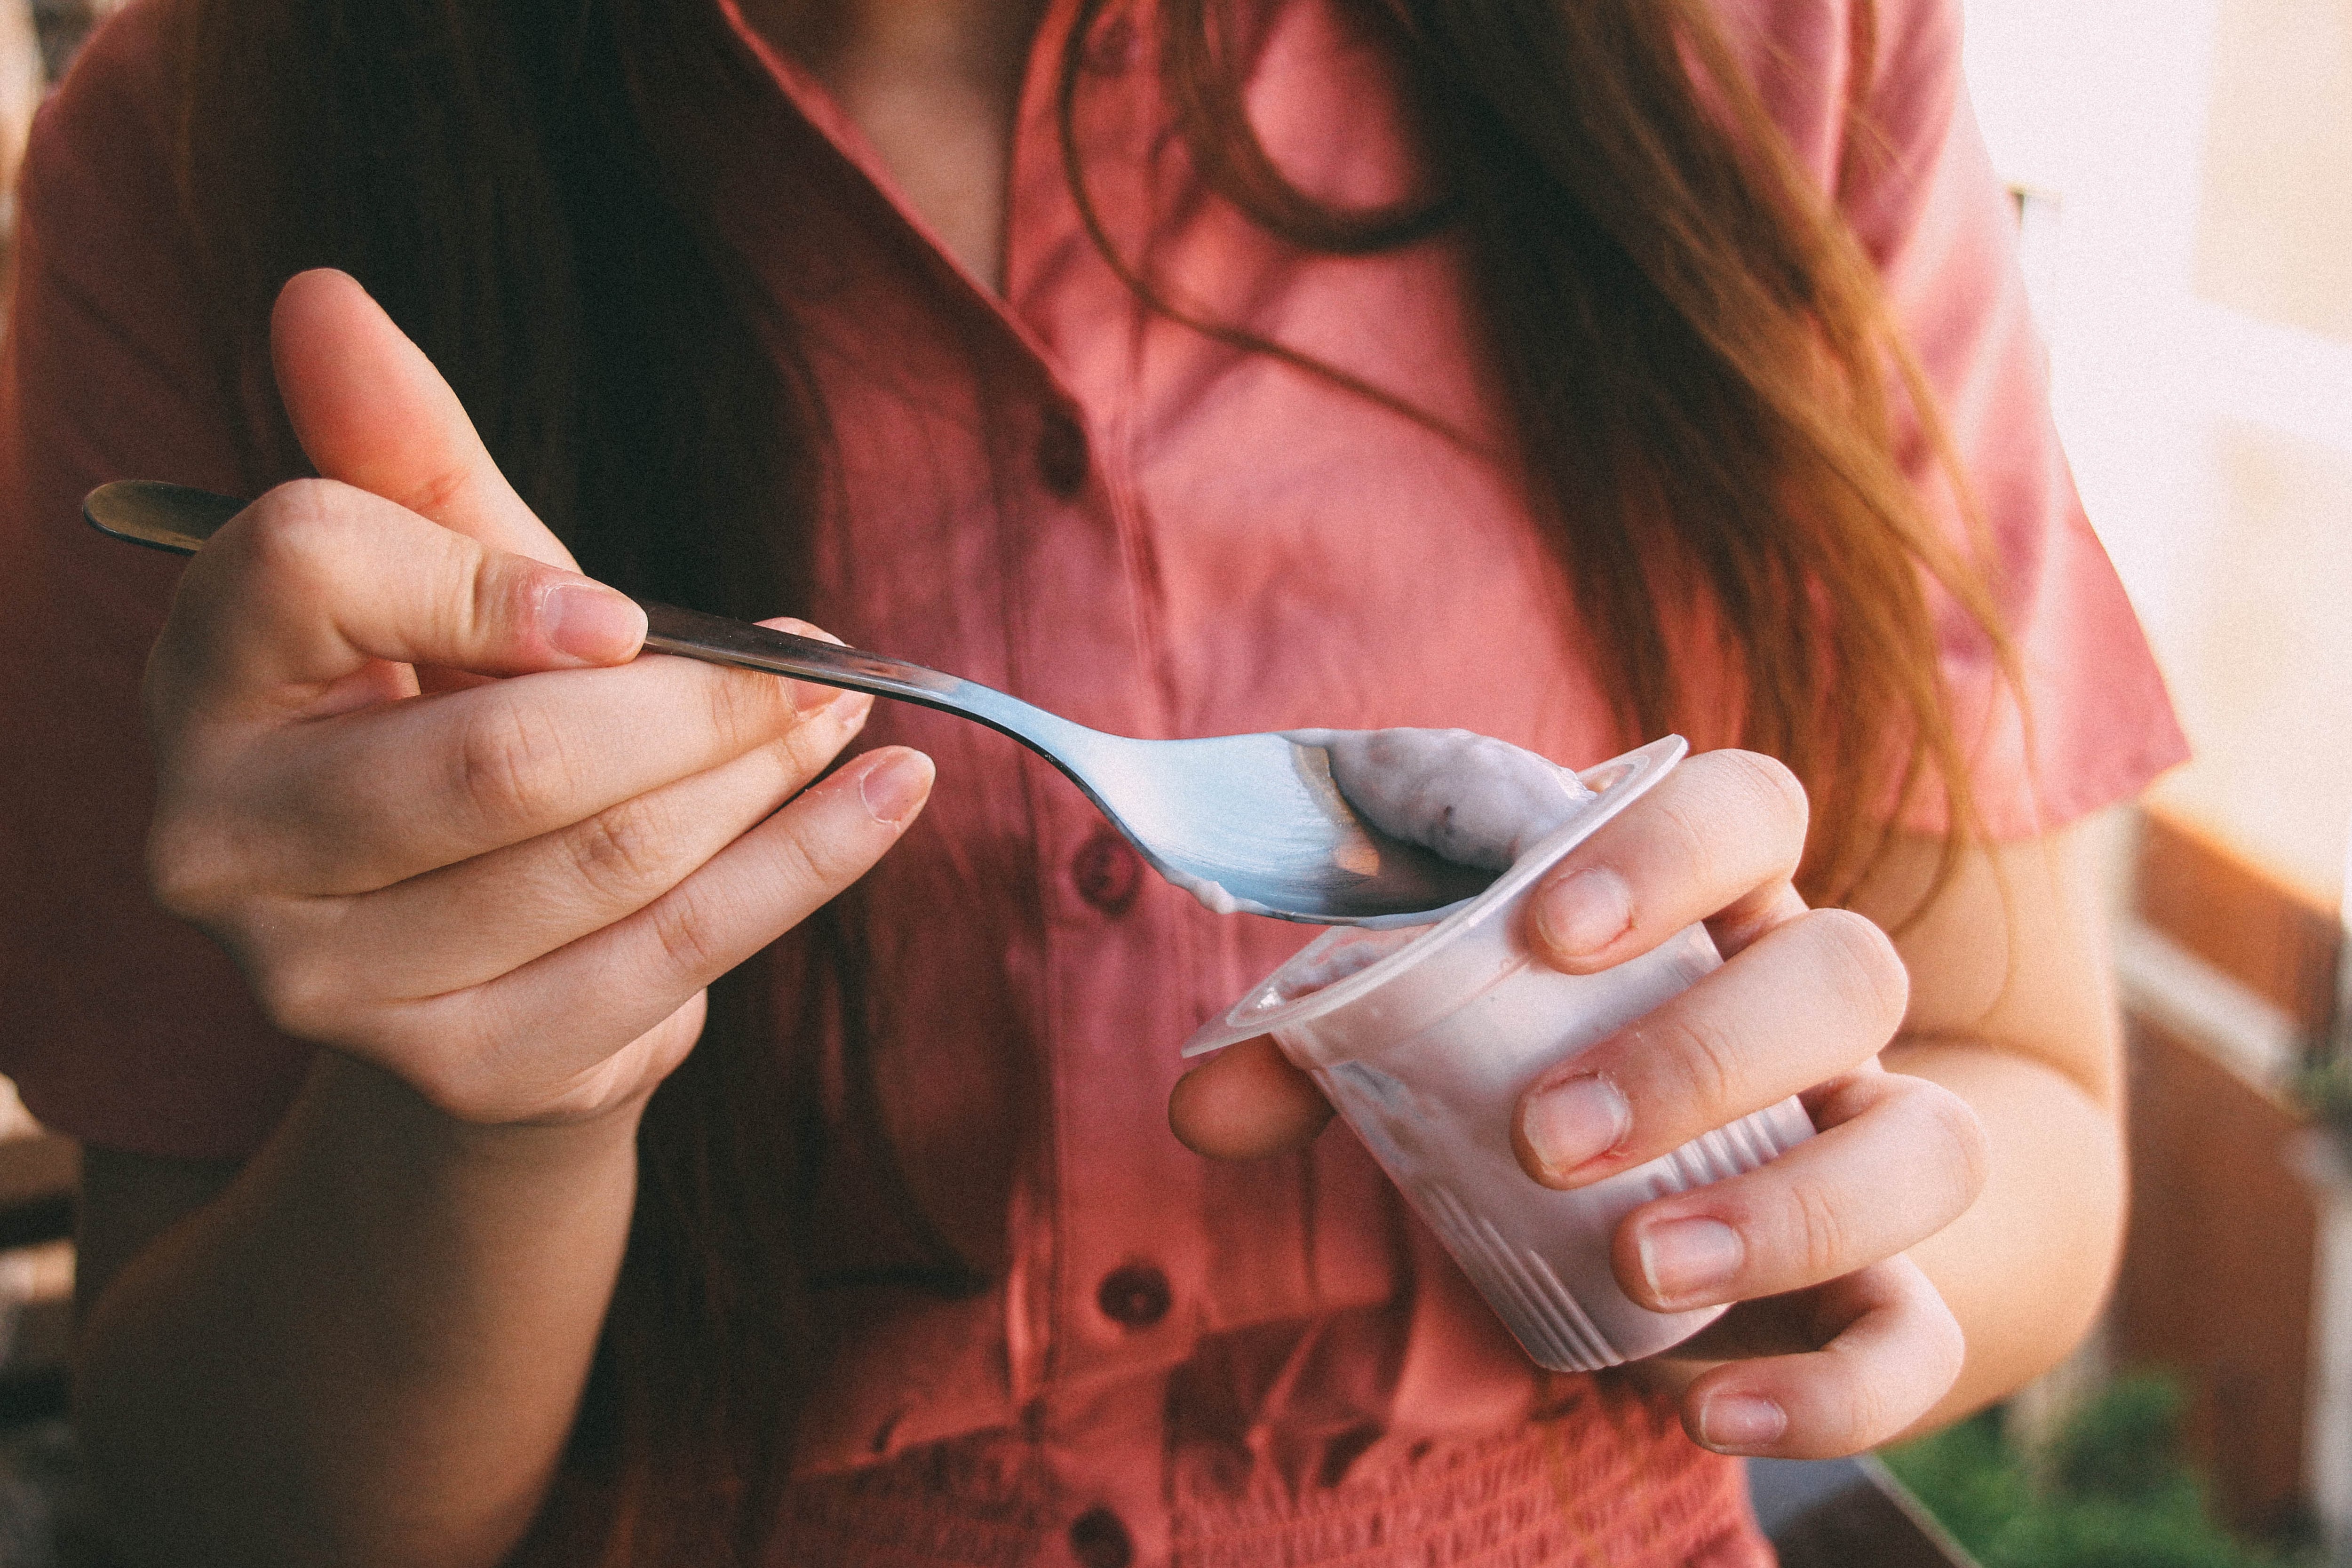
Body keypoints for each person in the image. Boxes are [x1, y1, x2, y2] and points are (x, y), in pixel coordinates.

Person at [0, 0, 2186, 1562]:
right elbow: (231, 1503)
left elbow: (2032, 1125)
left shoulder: (1772, 48)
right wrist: (491, 1092)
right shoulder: (210, 139)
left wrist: (1779, 1214)